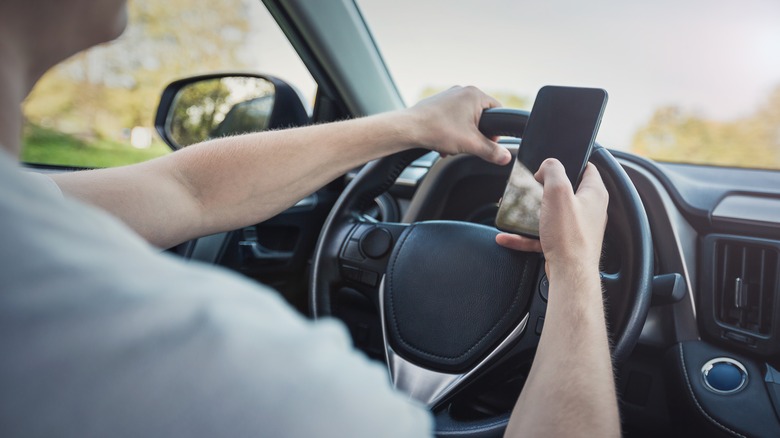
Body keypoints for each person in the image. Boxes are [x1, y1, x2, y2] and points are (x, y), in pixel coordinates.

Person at [0, 0, 620, 436]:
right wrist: (573, 271)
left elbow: (186, 190)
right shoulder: (256, 379)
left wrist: (407, 125)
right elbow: (184, 191)